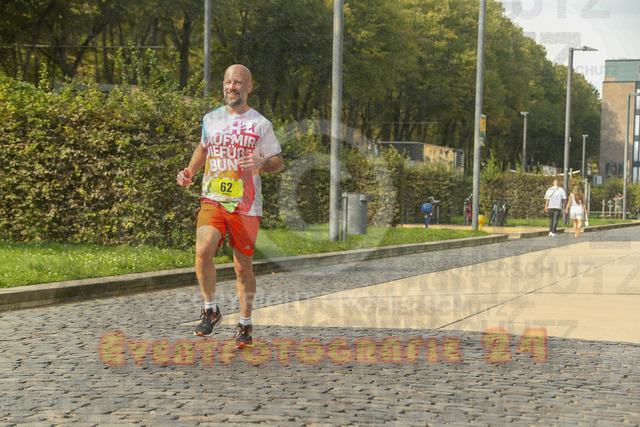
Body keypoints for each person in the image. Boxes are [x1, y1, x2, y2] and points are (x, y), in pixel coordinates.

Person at [176, 64, 283, 348]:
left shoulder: (260, 124)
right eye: (227, 82)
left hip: (246, 205)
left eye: (237, 82)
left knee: (242, 268)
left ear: (249, 87)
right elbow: (203, 148)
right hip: (213, 198)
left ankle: (245, 323)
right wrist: (189, 171)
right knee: (203, 250)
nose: (231, 87)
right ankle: (210, 309)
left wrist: (262, 162)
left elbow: (278, 162)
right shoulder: (211, 119)